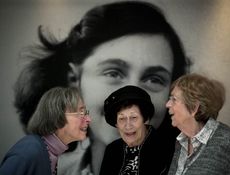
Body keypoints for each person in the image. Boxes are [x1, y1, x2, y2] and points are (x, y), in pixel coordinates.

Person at [13, 1, 190, 174]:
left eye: (154, 79)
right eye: (113, 73)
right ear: (74, 80)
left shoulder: (185, 167)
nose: (131, 96)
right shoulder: (48, 166)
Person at [0, 87, 91, 175]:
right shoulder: (31, 150)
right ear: (57, 116)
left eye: (85, 113)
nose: (88, 119)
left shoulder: (50, 154)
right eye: (81, 113)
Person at [166, 73, 230, 175]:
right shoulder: (181, 141)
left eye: (174, 99)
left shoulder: (226, 141)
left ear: (194, 107)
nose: (167, 104)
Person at [100, 85, 171, 175]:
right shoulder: (112, 150)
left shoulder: (165, 147)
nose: (128, 126)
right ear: (116, 124)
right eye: (122, 119)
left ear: (145, 119)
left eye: (133, 117)